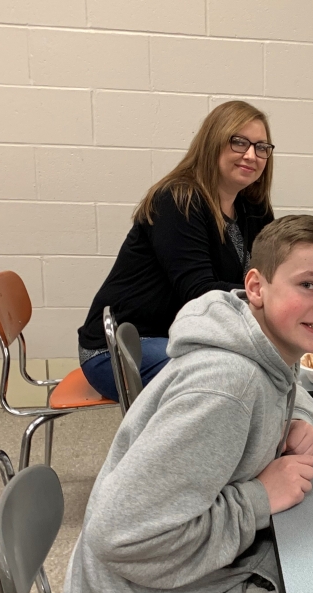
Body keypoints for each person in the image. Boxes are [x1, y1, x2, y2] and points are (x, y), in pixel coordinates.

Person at [63, 215, 313, 593]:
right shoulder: (227, 388)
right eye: (309, 285)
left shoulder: (257, 338)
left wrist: (298, 415)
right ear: (256, 287)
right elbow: (121, 538)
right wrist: (260, 497)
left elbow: (285, 378)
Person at [76, 100, 276, 401]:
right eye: (239, 142)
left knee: (267, 363)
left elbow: (272, 266)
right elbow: (199, 291)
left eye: (261, 147)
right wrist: (284, 295)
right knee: (239, 376)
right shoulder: (178, 200)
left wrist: (312, 281)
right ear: (213, 142)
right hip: (122, 347)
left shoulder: (251, 205)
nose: (252, 155)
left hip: (187, 335)